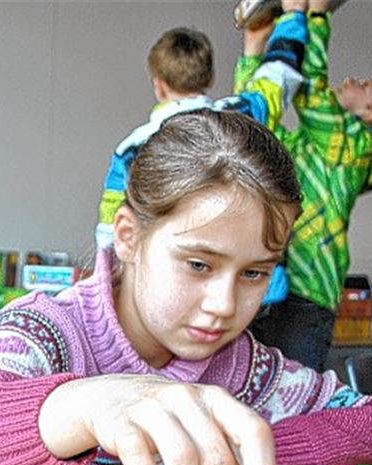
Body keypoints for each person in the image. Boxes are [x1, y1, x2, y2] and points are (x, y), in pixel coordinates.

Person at [0, 111, 372, 465]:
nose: (224, 306)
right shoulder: (43, 333)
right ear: (129, 238)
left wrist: (237, 453)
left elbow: (367, 427)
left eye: (254, 273)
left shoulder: (242, 367)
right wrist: (86, 405)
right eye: (199, 264)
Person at [94, 0, 306, 303]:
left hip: (174, 297)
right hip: (255, 293)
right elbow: (280, 76)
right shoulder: (241, 117)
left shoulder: (132, 149)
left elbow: (108, 234)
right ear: (208, 79)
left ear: (159, 85)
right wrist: (294, 16)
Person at [241, 0, 372, 370]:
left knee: (291, 411)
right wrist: (253, 51)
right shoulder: (321, 149)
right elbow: (254, 128)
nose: (350, 82)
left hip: (305, 298)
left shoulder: (357, 149)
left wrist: (312, 15)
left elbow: (311, 91)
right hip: (267, 285)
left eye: (364, 87)